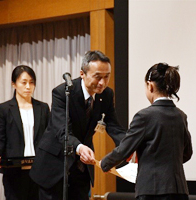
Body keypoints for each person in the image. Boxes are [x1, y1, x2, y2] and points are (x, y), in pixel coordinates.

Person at [29, 50, 125, 200]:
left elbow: (114, 126)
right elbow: (62, 130)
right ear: (82, 73)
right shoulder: (63, 92)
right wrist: (79, 147)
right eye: (98, 77)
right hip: (55, 165)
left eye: (107, 77)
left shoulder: (106, 95)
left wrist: (129, 147)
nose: (103, 83)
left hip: (81, 168)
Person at [100, 63, 193, 200]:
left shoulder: (144, 116)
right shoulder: (181, 116)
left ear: (150, 85)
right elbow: (187, 153)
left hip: (151, 190)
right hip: (179, 190)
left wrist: (105, 163)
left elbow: (124, 149)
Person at [0, 65, 50, 200]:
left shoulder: (43, 108)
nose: (28, 86)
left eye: (32, 82)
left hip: (38, 170)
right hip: (14, 171)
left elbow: (49, 137)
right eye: (24, 82)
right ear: (14, 84)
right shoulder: (4, 109)